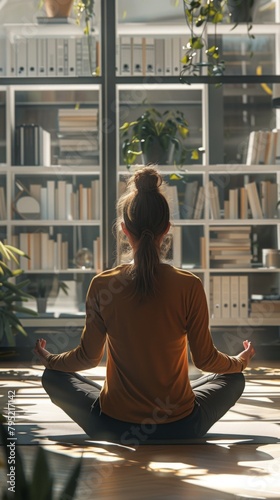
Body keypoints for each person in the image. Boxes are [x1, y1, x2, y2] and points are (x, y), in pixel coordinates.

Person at [34, 166, 255, 445]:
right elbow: (206, 361)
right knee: (233, 379)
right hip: (182, 426)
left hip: (113, 425)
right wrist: (240, 361)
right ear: (167, 229)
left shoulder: (103, 284)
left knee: (54, 378)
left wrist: (50, 359)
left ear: (124, 229)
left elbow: (88, 358)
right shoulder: (189, 285)